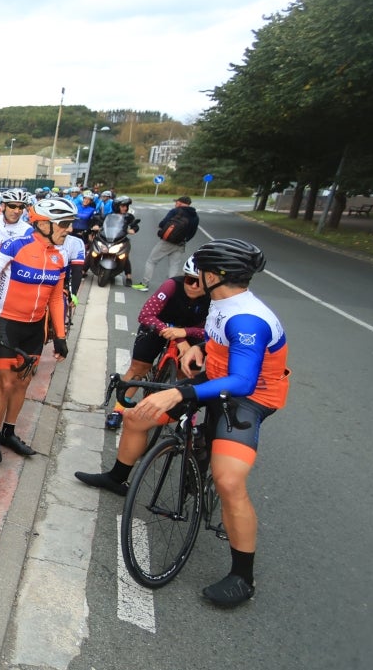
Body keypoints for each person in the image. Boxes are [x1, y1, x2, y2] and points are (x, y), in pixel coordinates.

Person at [77, 239, 286, 608]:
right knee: (139, 417)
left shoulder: (247, 318)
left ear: (213, 275)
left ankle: (242, 576)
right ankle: (118, 477)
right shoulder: (222, 303)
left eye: (199, 271)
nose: (193, 277)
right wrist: (196, 349)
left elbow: (243, 382)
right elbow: (212, 336)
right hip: (214, 375)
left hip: (248, 397)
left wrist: (178, 393)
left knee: (228, 480)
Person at [0, 197, 74, 464]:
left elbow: (55, 298)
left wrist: (61, 337)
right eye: (64, 224)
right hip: (7, 322)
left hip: (35, 328)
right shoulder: (15, 246)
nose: (69, 230)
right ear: (43, 223)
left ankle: (9, 432)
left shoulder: (61, 254)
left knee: (23, 383)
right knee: (6, 383)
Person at [102, 256, 210, 429]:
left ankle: (187, 417)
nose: (194, 285)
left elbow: (214, 333)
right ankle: (119, 410)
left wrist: (185, 333)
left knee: (189, 375)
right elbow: (145, 315)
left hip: (193, 331)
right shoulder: (171, 285)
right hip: (160, 325)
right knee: (139, 368)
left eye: (199, 282)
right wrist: (177, 337)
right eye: (190, 280)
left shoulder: (214, 298)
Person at [136, 196, 199, 291]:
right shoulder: (195, 216)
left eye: (176, 202)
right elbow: (192, 233)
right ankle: (170, 289)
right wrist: (184, 240)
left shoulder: (175, 211)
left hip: (167, 242)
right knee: (174, 266)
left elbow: (163, 223)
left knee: (151, 261)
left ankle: (144, 284)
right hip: (180, 244)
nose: (175, 204)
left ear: (180, 203)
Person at [0, 189, 32, 267]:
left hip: (7, 277)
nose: (17, 211)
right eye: (12, 206)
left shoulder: (28, 231)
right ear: (3, 206)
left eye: (21, 207)